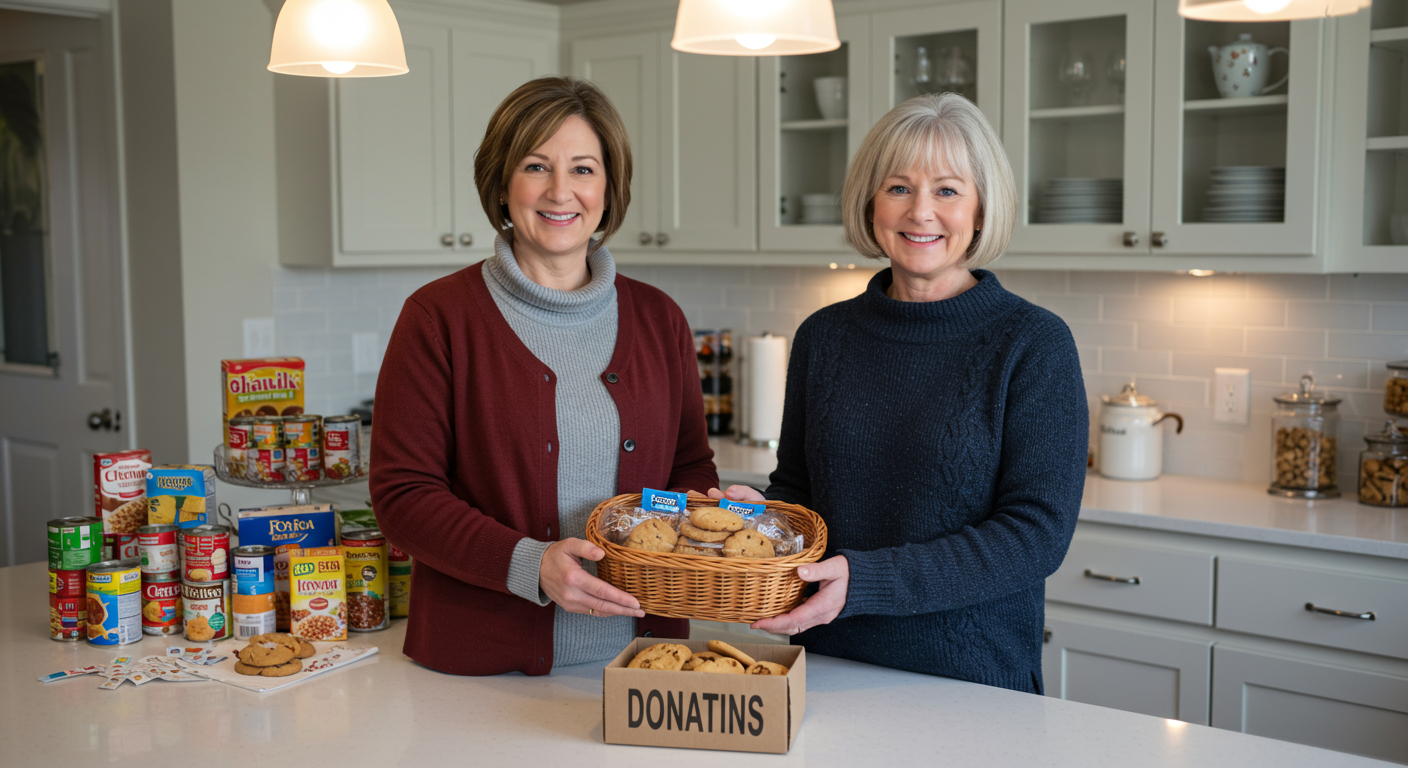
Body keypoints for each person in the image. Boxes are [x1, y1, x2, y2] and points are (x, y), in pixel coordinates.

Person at [712, 93, 1087, 694]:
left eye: (947, 190)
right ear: (870, 201)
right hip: (829, 666)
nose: (921, 213)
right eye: (897, 188)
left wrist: (868, 580)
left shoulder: (1032, 343)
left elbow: (1035, 535)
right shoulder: (824, 337)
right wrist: (761, 516)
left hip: (972, 683)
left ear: (982, 207)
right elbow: (804, 495)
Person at [371, 77, 717, 676]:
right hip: (481, 672)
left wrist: (716, 512)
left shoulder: (660, 318)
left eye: (584, 169)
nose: (562, 192)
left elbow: (687, 468)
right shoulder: (438, 317)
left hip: (644, 665)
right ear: (502, 186)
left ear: (610, 189)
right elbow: (404, 496)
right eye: (536, 166)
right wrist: (530, 564)